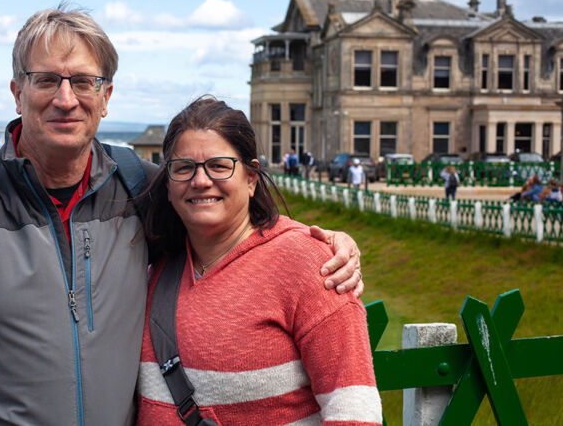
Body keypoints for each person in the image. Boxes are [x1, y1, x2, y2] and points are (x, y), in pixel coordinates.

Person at [0, 5, 363, 425]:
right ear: (17, 91)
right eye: (46, 80)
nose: (66, 99)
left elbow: (223, 213)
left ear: (107, 97)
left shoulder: (140, 186)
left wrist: (322, 243)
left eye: (84, 82)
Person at [137, 97, 381, 425]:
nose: (200, 180)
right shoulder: (153, 267)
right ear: (168, 185)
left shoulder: (311, 265)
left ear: (251, 178)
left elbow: (353, 412)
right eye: (184, 168)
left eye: (219, 166)